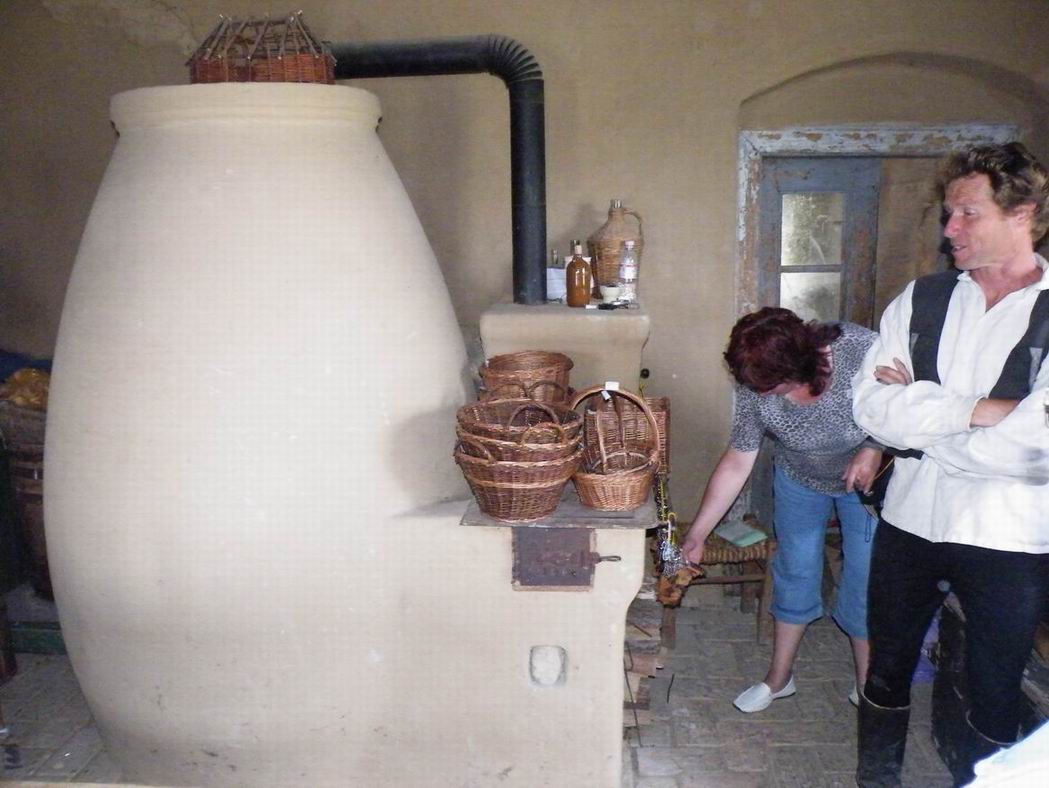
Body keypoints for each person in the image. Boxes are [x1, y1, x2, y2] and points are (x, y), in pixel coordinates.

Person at [851, 141, 1049, 787]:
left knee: (995, 691)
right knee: (885, 670)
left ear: (1021, 212)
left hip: (1009, 536)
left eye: (967, 213)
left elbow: (1034, 449)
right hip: (910, 519)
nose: (949, 229)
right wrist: (980, 411)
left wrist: (921, 415)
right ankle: (876, 779)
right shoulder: (921, 299)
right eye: (948, 213)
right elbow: (871, 409)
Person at [681, 307, 883, 713]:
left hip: (864, 483)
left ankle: (868, 684)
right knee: (795, 568)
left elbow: (910, 401)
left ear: (800, 366)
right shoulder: (755, 383)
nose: (759, 395)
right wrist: (698, 534)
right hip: (799, 479)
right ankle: (779, 678)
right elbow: (738, 460)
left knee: (865, 579)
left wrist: (875, 445)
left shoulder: (860, 349)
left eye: (770, 387)